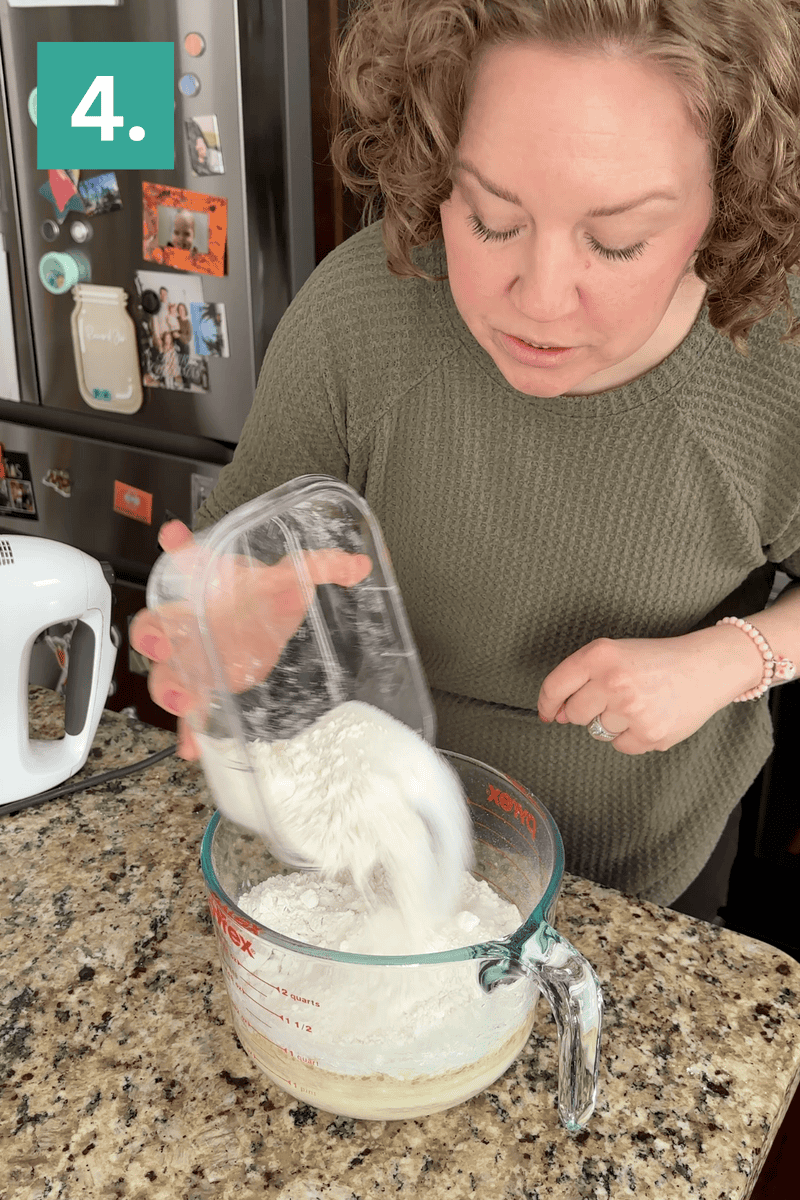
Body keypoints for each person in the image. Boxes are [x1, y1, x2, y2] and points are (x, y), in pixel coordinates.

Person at [131, 0, 800, 921]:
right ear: (436, 169)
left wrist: (731, 659)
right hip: (371, 860)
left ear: (726, 205)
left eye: (615, 241)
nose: (539, 297)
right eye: (490, 220)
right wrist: (215, 623)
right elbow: (232, 562)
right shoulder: (363, 314)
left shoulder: (778, 353)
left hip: (644, 882)